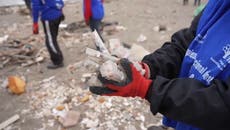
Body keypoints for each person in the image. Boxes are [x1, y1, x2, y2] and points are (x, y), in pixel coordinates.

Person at [89, 0, 230, 130]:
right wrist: (148, 68)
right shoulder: (219, 4)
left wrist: (148, 89)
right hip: (186, 121)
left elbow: (223, 105)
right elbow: (186, 44)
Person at [31, 0, 65, 69]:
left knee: (50, 40)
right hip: (57, 14)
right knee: (53, 38)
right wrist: (61, 11)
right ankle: (59, 56)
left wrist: (35, 22)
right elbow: (60, 2)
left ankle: (57, 61)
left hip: (49, 17)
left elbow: (35, 6)